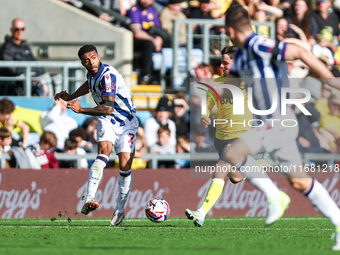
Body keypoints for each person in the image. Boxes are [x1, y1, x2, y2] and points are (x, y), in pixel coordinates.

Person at [221, 4, 340, 250]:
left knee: (232, 153)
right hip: (273, 126)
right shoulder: (242, 54)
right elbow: (231, 82)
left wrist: (331, 79)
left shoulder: (257, 45)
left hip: (278, 122)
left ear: (230, 30)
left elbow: (296, 50)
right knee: (300, 182)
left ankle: (275, 196)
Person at [186, 45, 290, 227]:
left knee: (220, 167)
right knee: (236, 176)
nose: (222, 65)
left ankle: (201, 213)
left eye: (226, 62)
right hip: (221, 137)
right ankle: (264, 162)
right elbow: (207, 102)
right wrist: (204, 116)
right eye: (221, 62)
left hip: (241, 135)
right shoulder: (217, 82)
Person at [54, 44, 138, 227]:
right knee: (103, 153)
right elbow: (89, 85)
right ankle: (89, 198)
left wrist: (80, 109)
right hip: (107, 120)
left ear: (98, 56)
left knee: (125, 166)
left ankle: (119, 210)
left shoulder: (108, 76)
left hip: (126, 123)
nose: (91, 62)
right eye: (86, 60)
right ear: (82, 63)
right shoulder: (91, 73)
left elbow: (107, 108)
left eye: (93, 58)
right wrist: (71, 96)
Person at [0, 18, 60, 96]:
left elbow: (34, 62)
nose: (19, 32)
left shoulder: (25, 46)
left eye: (22, 29)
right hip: (19, 77)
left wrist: (38, 70)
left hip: (32, 73)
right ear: (11, 30)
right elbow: (11, 69)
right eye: (17, 29)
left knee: (57, 78)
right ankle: (49, 104)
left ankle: (60, 103)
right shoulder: (7, 47)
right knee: (43, 80)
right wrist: (28, 69)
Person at [126, 0, 171, 84]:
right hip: (133, 42)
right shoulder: (134, 10)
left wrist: (159, 39)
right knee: (148, 44)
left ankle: (164, 77)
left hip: (151, 41)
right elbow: (137, 33)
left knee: (167, 43)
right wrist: (153, 40)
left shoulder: (152, 11)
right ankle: (145, 74)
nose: (147, 2)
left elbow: (158, 29)